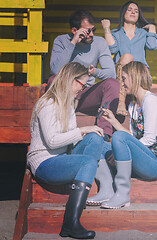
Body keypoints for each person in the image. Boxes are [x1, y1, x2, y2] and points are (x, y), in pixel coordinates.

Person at [27, 62, 112, 239]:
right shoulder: (48, 103)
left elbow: (72, 140)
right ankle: (70, 224)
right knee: (88, 159)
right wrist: (82, 130)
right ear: (70, 80)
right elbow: (51, 142)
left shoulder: (69, 104)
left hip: (62, 157)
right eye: (83, 84)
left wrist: (88, 133)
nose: (83, 89)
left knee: (95, 136)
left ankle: (84, 179)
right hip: (44, 163)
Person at [87, 61, 157, 209]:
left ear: (134, 77)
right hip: (140, 159)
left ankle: (123, 194)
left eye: (124, 78)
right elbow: (132, 136)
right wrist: (113, 121)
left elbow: (148, 140)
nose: (122, 83)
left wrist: (118, 151)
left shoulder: (151, 101)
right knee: (96, 141)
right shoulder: (133, 105)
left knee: (118, 137)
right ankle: (106, 189)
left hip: (155, 164)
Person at [49, 10, 118, 141]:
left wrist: (95, 72)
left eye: (94, 30)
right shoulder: (61, 41)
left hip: (87, 94)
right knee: (52, 80)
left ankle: (104, 135)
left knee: (113, 84)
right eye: (88, 31)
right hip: (66, 93)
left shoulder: (100, 42)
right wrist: (73, 42)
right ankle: (56, 130)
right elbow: (56, 71)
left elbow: (111, 73)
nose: (92, 34)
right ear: (75, 30)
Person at [101, 1, 157, 115]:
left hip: (140, 75)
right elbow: (112, 49)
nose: (133, 12)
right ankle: (121, 102)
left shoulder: (143, 33)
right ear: (124, 13)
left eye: (136, 11)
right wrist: (106, 29)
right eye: (130, 9)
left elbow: (152, 46)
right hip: (122, 76)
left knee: (134, 63)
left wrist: (152, 27)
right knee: (127, 57)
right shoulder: (116, 33)